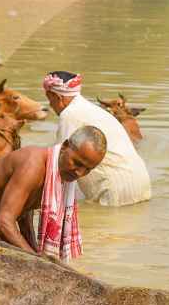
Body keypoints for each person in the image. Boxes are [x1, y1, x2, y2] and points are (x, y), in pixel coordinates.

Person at [0, 126, 106, 261]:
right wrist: (35, 259)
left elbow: (23, 212)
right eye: (77, 163)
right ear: (64, 146)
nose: (79, 173)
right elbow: (3, 222)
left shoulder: (56, 173)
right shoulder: (33, 165)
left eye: (88, 169)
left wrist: (35, 251)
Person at [44, 71, 151, 207]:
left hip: (114, 189)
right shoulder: (93, 110)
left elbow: (59, 163)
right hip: (141, 183)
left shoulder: (69, 114)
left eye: (50, 100)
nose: (50, 105)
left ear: (57, 97)